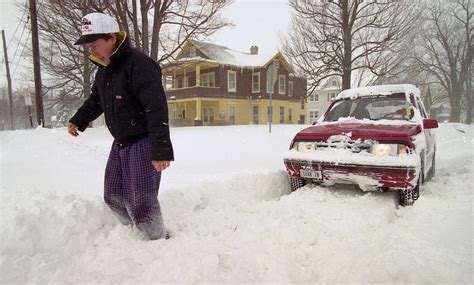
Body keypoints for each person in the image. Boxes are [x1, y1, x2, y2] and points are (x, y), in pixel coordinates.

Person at [67, 12, 174, 240]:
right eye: (89, 46)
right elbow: (97, 100)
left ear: (112, 37)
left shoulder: (140, 65)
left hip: (143, 142)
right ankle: (135, 230)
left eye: (94, 44)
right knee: (112, 195)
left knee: (142, 200)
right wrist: (79, 119)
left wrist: (160, 150)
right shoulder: (104, 70)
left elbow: (156, 109)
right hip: (121, 143)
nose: (91, 50)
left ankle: (157, 240)